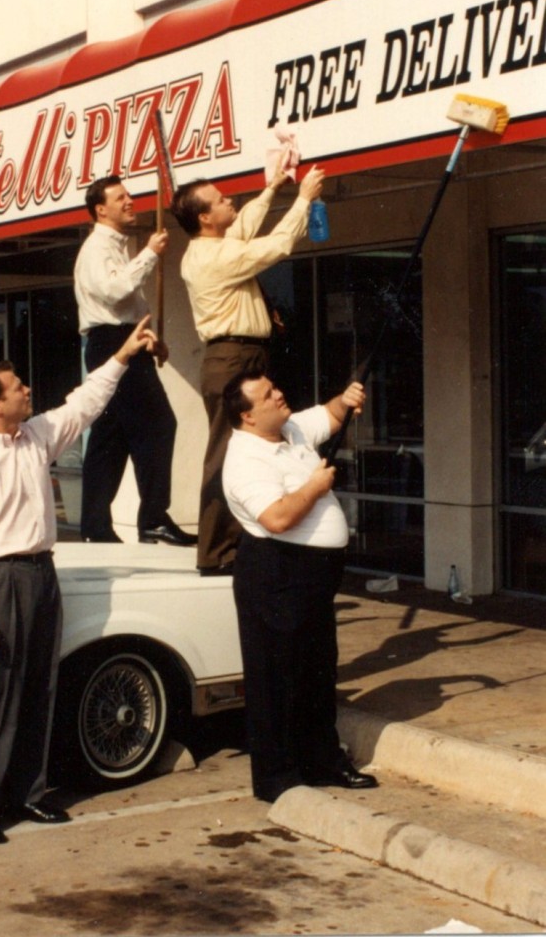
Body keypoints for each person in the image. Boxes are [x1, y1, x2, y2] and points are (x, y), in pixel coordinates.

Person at [0, 318, 158, 845]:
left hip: (41, 574)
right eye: (17, 388)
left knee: (39, 688)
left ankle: (26, 795)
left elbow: (85, 403)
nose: (27, 390)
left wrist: (124, 354)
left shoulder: (34, 437)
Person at [221, 370, 379, 803]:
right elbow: (277, 518)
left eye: (276, 386)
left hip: (313, 576)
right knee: (276, 679)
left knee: (316, 671)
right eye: (268, 394)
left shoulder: (289, 428)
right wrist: (315, 485)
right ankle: (278, 780)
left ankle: (322, 763)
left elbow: (327, 416)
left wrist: (344, 399)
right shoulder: (244, 459)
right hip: (276, 573)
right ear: (248, 416)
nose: (278, 394)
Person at [172, 158, 324, 576]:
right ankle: (217, 553)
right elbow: (275, 245)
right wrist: (304, 199)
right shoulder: (213, 258)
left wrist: (274, 186)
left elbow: (245, 223)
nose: (230, 201)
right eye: (221, 200)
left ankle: (234, 544)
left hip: (244, 356)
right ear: (205, 218)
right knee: (226, 453)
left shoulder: (212, 245)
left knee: (247, 450)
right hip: (233, 357)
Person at [74, 174, 196, 546]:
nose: (130, 201)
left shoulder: (115, 247)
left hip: (120, 341)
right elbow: (115, 292)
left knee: (111, 438)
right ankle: (154, 519)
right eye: (120, 197)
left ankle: (95, 527)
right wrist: (150, 254)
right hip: (111, 343)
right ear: (101, 210)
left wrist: (148, 340)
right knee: (159, 423)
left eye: (129, 195)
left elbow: (126, 306)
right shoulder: (97, 248)